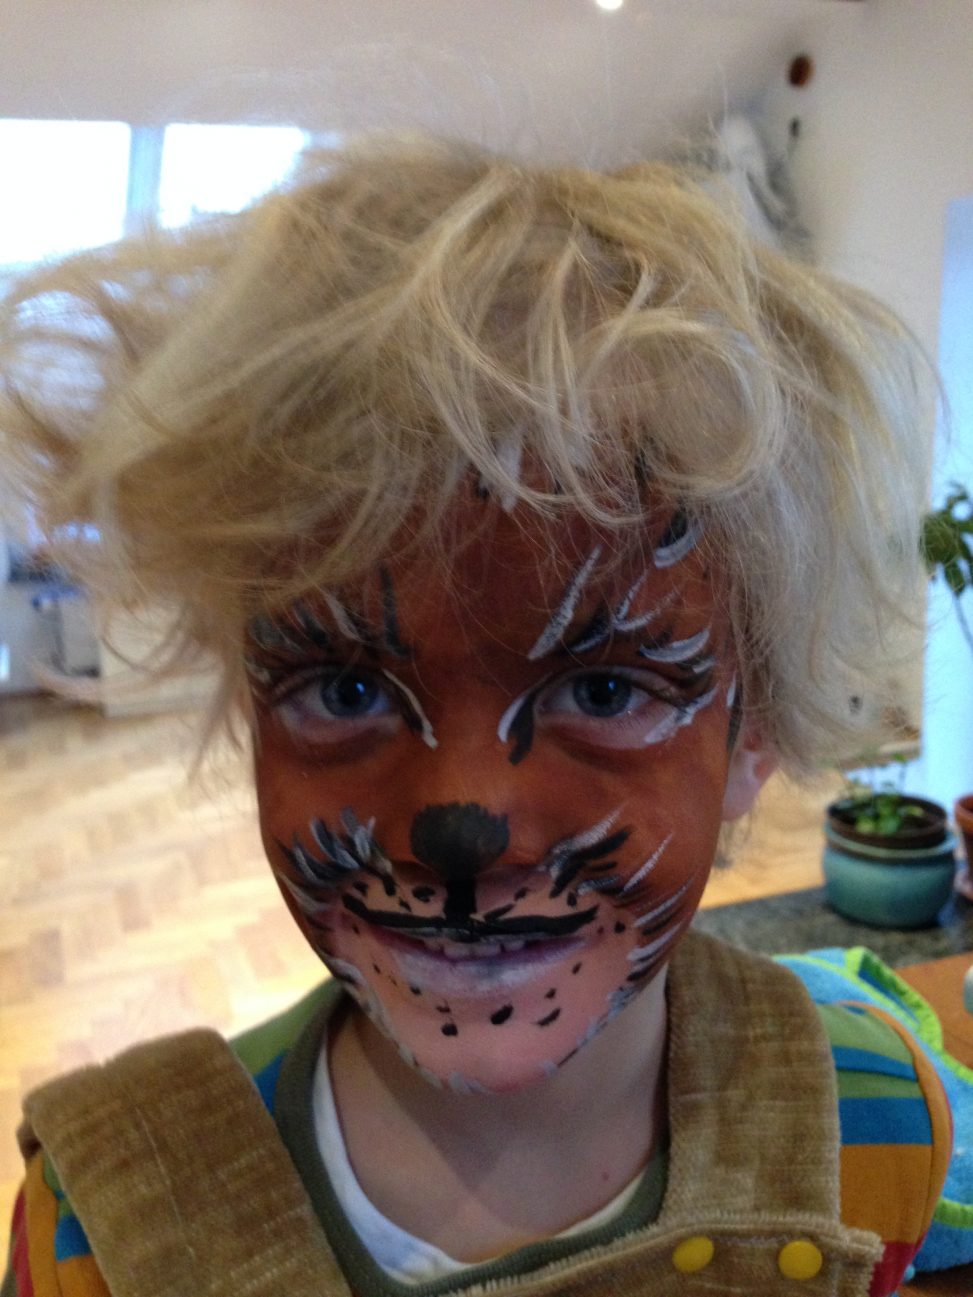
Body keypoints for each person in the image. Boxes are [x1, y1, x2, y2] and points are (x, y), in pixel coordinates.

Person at [0, 134, 954, 1297]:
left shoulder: (878, 1125)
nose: (462, 822)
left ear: (752, 734)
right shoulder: (98, 1228)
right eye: (344, 689)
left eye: (606, 690)